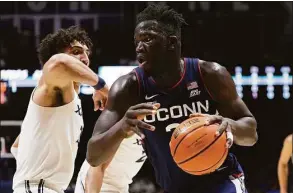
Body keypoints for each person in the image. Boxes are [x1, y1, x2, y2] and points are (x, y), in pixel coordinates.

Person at [86, 4, 258, 193]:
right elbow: (93, 156)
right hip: (174, 187)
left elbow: (251, 134)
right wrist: (122, 127)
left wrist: (230, 125)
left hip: (222, 179)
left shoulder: (210, 74)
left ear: (172, 42)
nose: (139, 47)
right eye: (136, 41)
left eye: (148, 39)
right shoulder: (127, 87)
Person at [11, 26, 109, 193]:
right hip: (37, 188)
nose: (85, 58)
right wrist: (103, 87)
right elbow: (59, 62)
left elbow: (17, 146)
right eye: (76, 51)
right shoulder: (52, 85)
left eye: (87, 53)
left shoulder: (66, 102)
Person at [74, 134, 146, 193]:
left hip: (121, 186)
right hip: (100, 184)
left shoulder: (153, 129)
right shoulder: (123, 123)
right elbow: (97, 166)